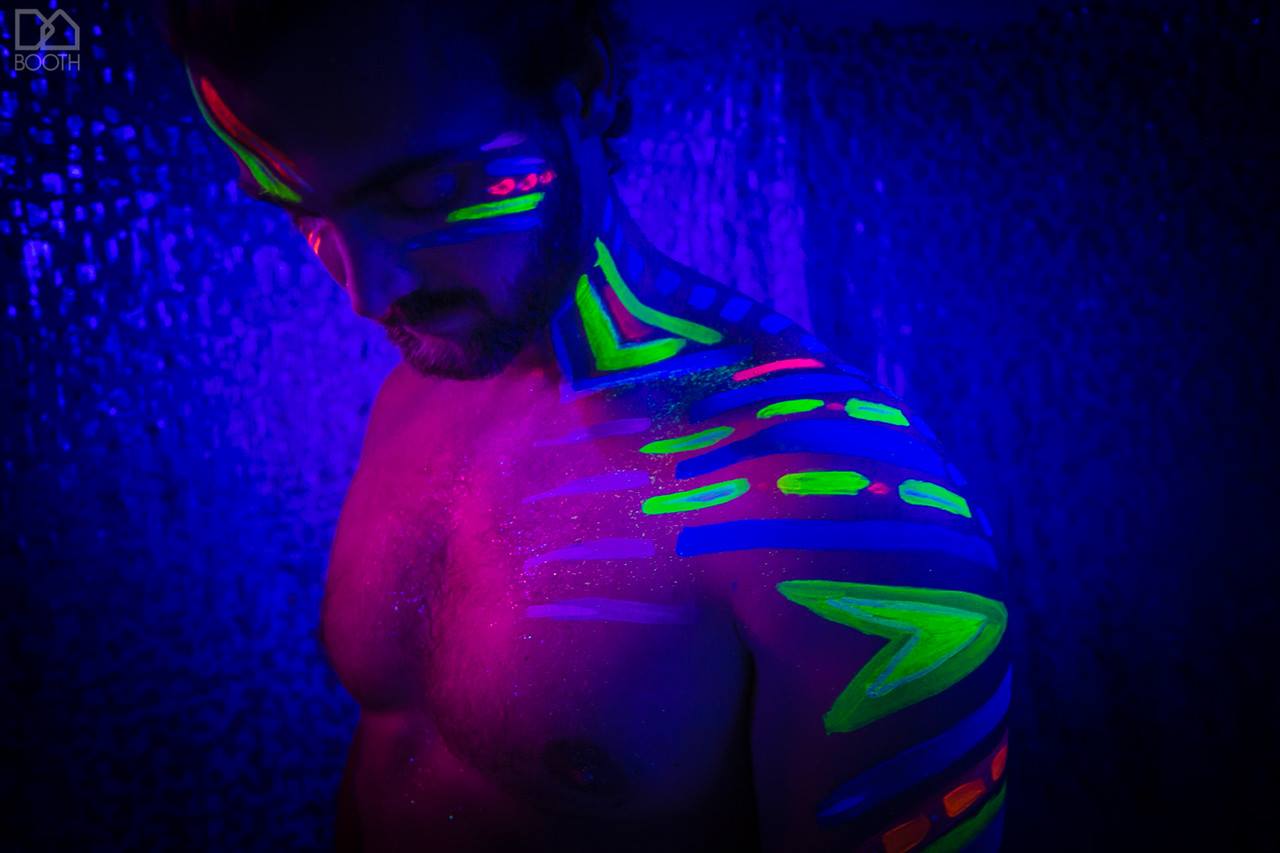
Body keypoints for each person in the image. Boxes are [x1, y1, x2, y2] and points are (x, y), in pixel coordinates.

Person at [160, 1, 1010, 850]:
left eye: (422, 192)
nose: (367, 291)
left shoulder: (842, 498)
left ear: (585, 86)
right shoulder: (415, 396)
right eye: (300, 211)